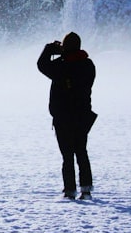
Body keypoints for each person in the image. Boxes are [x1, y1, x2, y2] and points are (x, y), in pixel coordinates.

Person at [37, 31, 97, 200]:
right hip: (83, 116)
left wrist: (50, 49)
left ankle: (69, 190)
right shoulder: (88, 65)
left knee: (67, 156)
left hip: (63, 117)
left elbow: (42, 64)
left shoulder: (61, 66)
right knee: (82, 152)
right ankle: (86, 189)